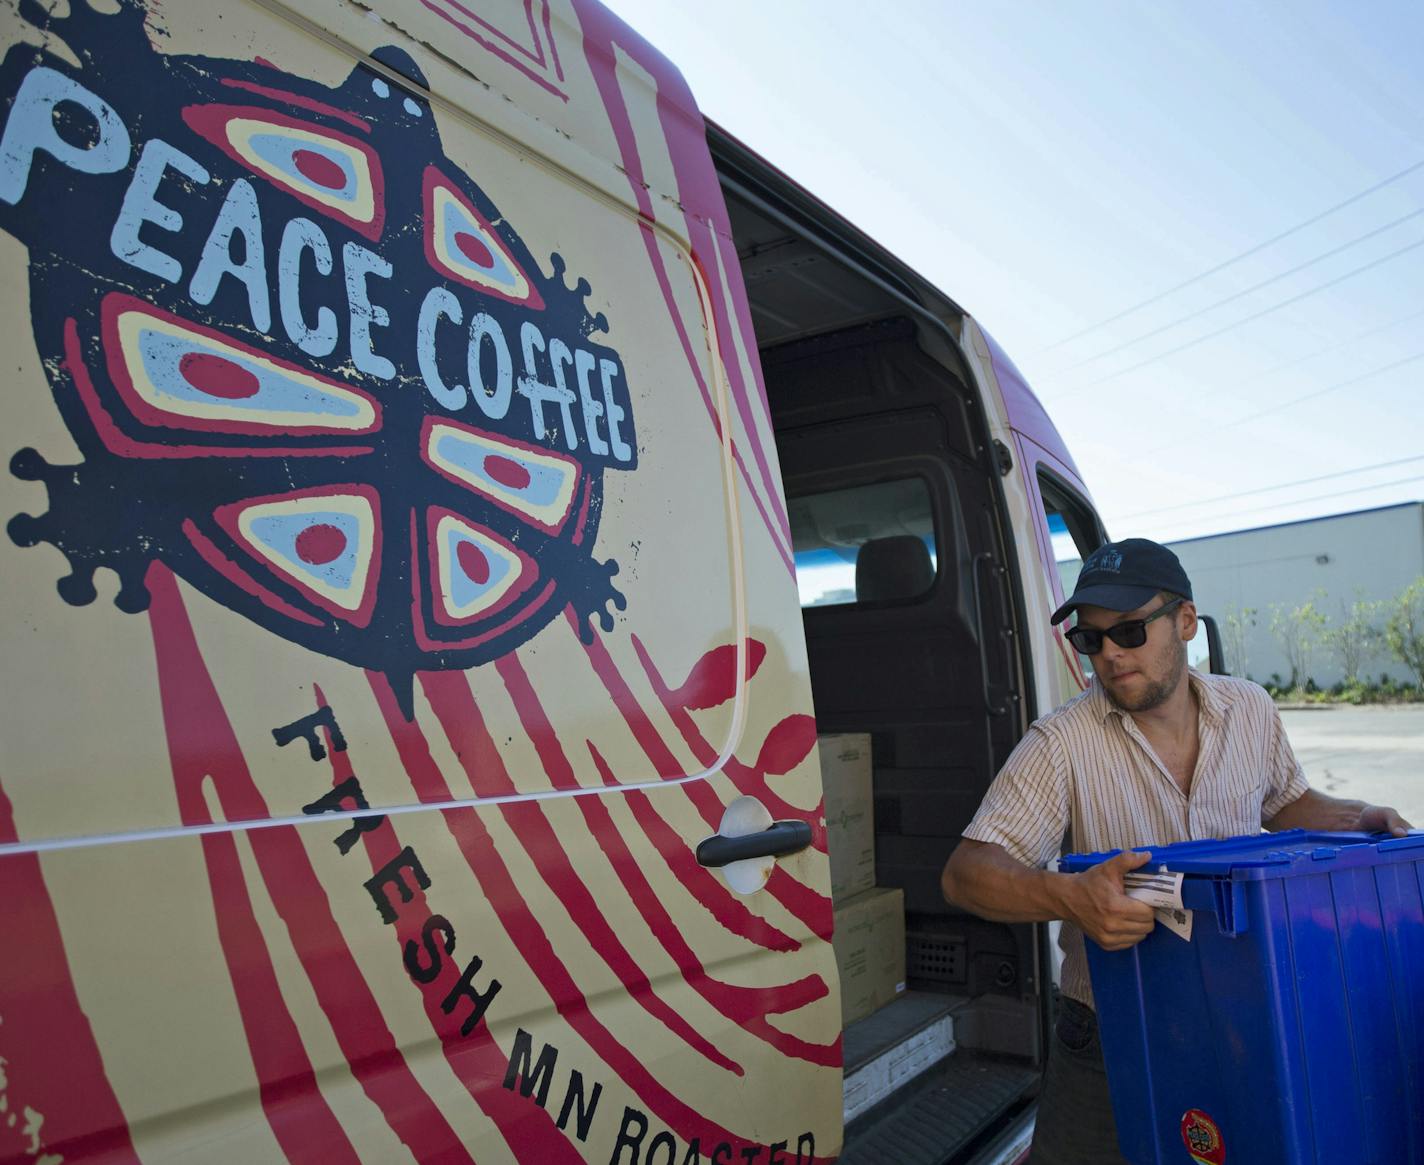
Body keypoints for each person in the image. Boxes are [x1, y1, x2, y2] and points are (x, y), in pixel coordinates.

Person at [939, 538, 1413, 1165]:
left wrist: (1361, 818)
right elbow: (966, 874)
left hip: (1245, 1014)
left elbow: (1285, 802)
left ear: (1185, 622)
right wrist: (1072, 898)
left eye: (1130, 631)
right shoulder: (1059, 744)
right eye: (1092, 639)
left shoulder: (1249, 709)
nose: (1110, 654)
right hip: (1109, 1032)